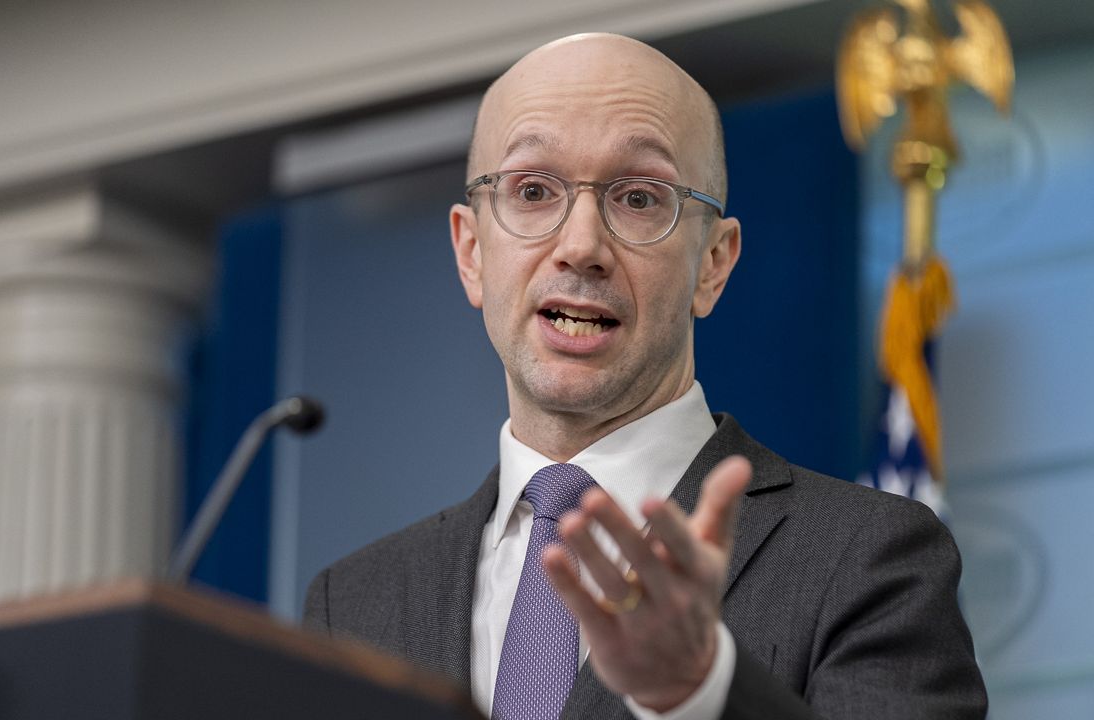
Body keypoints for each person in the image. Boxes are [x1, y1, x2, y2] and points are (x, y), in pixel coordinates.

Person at [304, 32, 986, 720]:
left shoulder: (872, 557)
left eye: (638, 198)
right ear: (472, 251)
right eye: (534, 190)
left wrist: (701, 691)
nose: (580, 246)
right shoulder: (352, 607)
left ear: (713, 265)